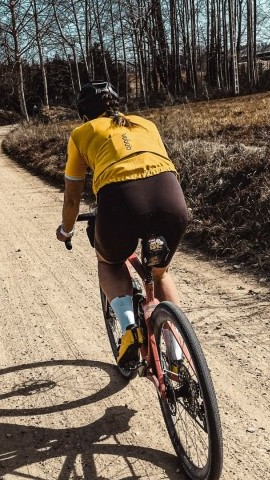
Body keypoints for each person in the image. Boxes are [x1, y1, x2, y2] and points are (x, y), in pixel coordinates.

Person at [56, 81, 188, 367]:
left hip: (122, 202)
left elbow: (72, 198)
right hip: (171, 200)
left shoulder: (82, 133)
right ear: (116, 104)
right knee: (160, 273)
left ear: (84, 115)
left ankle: (129, 329)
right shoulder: (146, 124)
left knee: (110, 261)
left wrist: (66, 230)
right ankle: (176, 352)